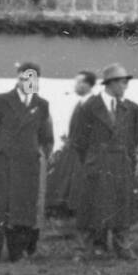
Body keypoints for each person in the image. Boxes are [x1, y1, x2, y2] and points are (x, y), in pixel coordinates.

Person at [70, 63, 138, 260]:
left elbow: (134, 139)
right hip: (97, 163)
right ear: (110, 84)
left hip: (120, 164)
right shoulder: (89, 107)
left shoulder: (131, 109)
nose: (125, 87)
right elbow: (78, 140)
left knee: (121, 207)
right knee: (90, 208)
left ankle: (123, 247)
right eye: (122, 83)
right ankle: (83, 249)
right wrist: (93, 160)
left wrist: (126, 160)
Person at [0, 63, 53, 263]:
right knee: (0, 205)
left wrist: (33, 152)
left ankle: (17, 251)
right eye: (24, 78)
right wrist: (1, 149)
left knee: (23, 206)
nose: (28, 82)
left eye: (32, 79)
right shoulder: (2, 100)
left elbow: (45, 136)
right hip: (5, 161)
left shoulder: (42, 104)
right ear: (18, 78)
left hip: (28, 163)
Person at [49, 70, 97, 231]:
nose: (75, 86)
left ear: (87, 84)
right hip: (73, 152)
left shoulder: (95, 103)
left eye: (78, 82)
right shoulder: (79, 103)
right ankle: (69, 225)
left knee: (81, 190)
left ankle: (85, 227)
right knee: (66, 188)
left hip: (85, 154)